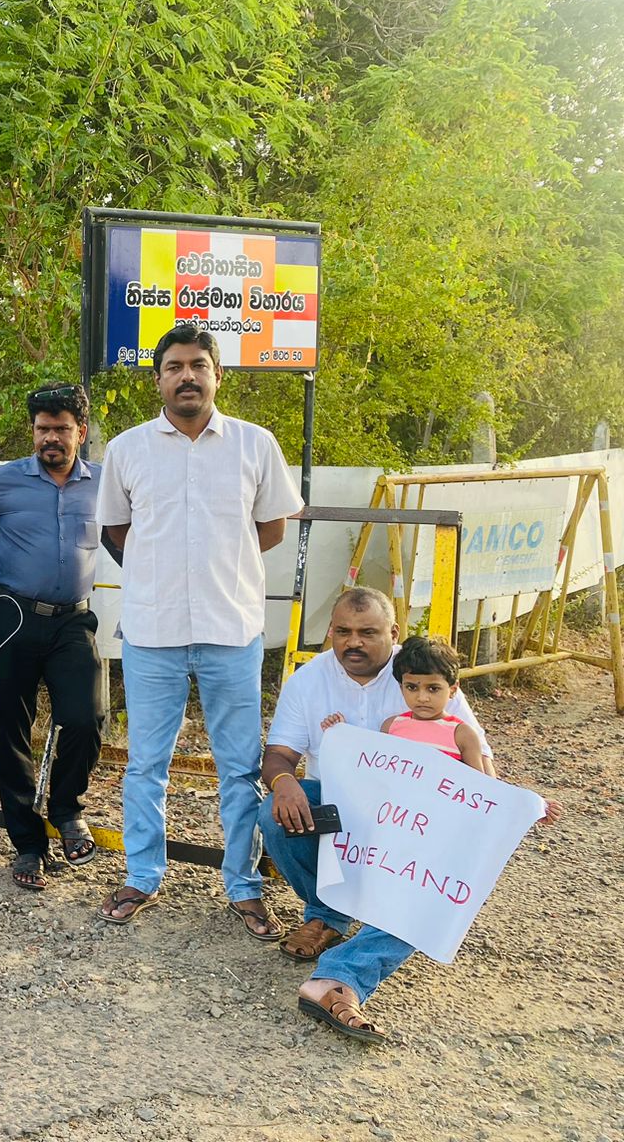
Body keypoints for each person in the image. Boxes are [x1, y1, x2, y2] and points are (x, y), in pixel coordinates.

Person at [261, 586, 559, 1042]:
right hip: (340, 819)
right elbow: (278, 755)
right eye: (342, 632)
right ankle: (327, 913)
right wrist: (284, 784)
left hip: (413, 831)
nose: (352, 643)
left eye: (367, 632)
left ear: (393, 633)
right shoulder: (310, 679)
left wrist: (519, 809)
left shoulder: (424, 672)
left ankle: (341, 976)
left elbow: (481, 767)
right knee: (277, 814)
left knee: (433, 889)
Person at [95, 322, 302, 936]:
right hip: (152, 632)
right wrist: (161, 574)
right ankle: (142, 876)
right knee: (144, 765)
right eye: (174, 366)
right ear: (158, 379)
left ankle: (243, 885)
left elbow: (269, 529)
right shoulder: (129, 450)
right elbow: (116, 532)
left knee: (238, 767)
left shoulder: (254, 444)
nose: (186, 376)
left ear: (217, 374)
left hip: (230, 627)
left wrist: (219, 570)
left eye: (198, 365)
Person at [0, 382, 106, 891]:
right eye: (42, 429)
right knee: (10, 731)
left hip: (74, 621)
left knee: (86, 716)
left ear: (80, 431)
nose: (50, 438)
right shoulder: (3, 480)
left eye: (60, 429)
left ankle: (67, 810)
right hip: (11, 616)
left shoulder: (103, 483)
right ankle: (29, 845)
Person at [379, 636, 488, 771]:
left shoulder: (462, 735)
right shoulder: (390, 727)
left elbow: (477, 785)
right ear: (402, 688)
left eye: (433, 689)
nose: (422, 698)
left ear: (452, 690)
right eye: (412, 687)